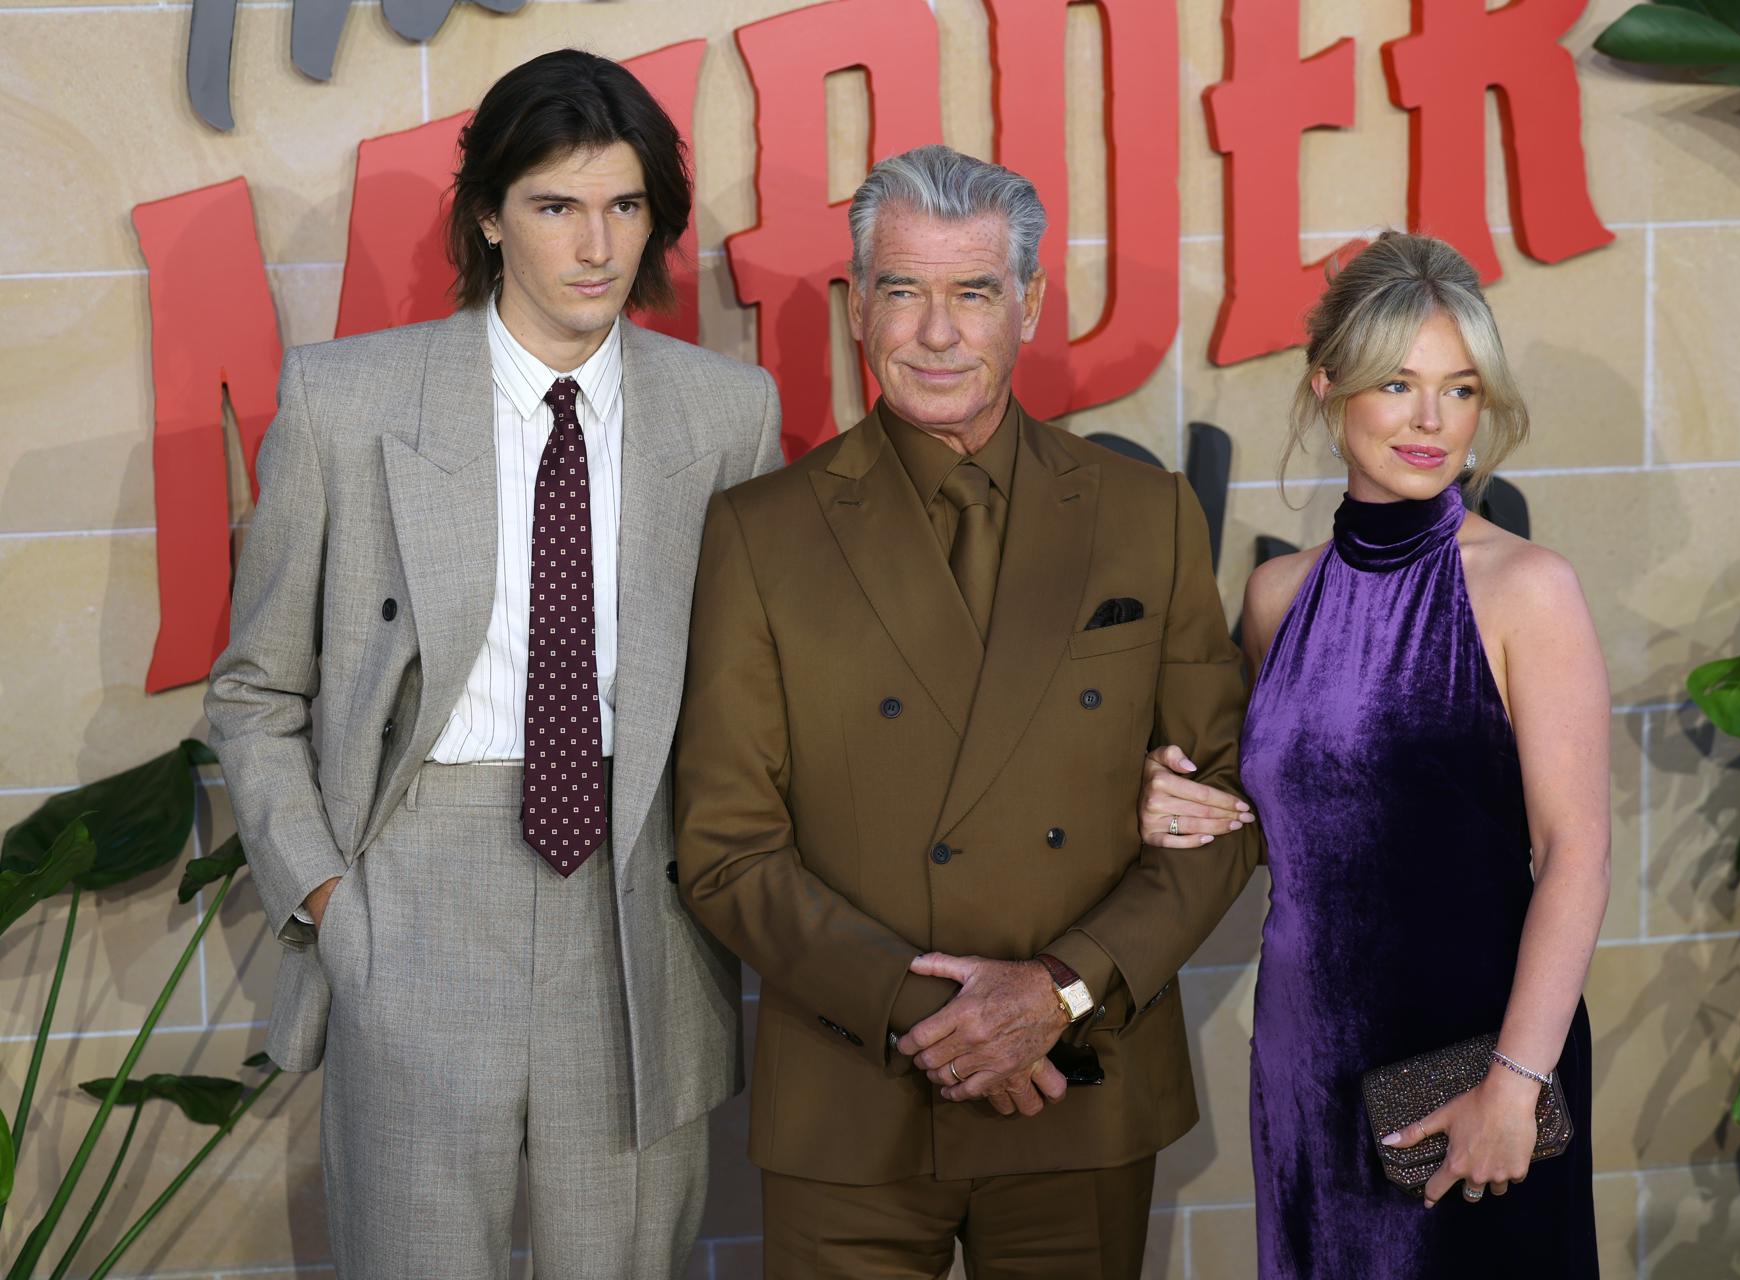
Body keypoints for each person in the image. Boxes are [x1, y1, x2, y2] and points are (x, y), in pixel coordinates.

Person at [204, 49, 781, 1280]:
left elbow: (755, 684)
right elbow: (256, 688)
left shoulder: (728, 413)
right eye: (556, 205)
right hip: (413, 894)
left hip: (640, 897)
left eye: (625, 206)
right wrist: (328, 898)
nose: (596, 245)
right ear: (487, 215)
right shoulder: (345, 400)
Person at [672, 143, 1262, 1279]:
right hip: (852, 1096)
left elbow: (1223, 802)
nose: (936, 332)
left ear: (1029, 304)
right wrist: (930, 1013)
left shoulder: (1146, 513)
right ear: (859, 306)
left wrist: (1062, 989)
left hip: (1080, 1082)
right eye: (904, 290)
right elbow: (725, 847)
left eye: (973, 291)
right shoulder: (761, 532)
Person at [1140, 231, 1607, 1277]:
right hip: (1307, 1056)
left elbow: (1576, 850)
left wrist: (1515, 1083)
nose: (1433, 420)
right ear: (1329, 383)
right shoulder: (1276, 596)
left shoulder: (1526, 586)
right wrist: (1174, 799)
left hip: (1478, 1053)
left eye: (1460, 387)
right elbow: (1311, 815)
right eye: (1399, 383)